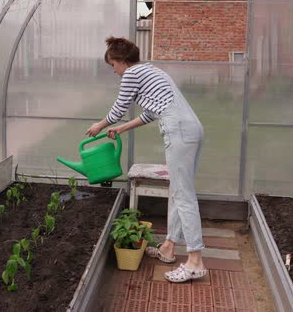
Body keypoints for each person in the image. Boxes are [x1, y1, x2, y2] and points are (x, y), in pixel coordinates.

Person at [86, 36, 206, 283]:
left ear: (121, 61)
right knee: (178, 190)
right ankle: (169, 247)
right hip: (190, 128)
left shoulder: (132, 73)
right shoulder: (150, 71)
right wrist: (122, 129)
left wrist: (100, 125)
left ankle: (195, 261)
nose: (116, 72)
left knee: (183, 195)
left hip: (179, 131)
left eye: (113, 66)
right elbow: (151, 113)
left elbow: (120, 107)